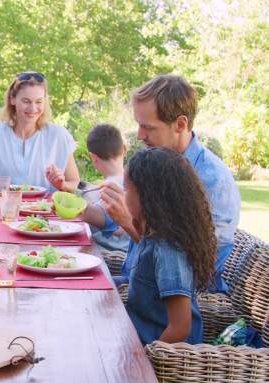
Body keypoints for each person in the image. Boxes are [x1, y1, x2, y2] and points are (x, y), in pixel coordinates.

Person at [101, 75, 241, 292]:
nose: (139, 135)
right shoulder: (159, 163)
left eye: (148, 127)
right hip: (138, 279)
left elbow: (189, 268)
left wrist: (128, 222)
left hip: (173, 298)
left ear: (180, 124)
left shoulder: (210, 180)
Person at [122, 147, 216, 345]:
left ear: (147, 196)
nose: (124, 196)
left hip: (162, 358)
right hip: (137, 337)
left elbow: (180, 327)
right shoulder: (152, 236)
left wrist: (145, 360)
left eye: (126, 190)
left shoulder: (168, 251)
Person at [0, 72, 80, 192]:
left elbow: (75, 183)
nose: (33, 108)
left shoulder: (58, 135)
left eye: (38, 102)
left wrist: (62, 185)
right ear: (12, 99)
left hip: (45, 209)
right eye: (26, 101)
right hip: (5, 209)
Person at [79, 124, 129, 252]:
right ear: (124, 149)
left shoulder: (109, 189)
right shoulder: (134, 182)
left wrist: (68, 204)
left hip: (110, 256)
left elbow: (101, 216)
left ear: (93, 157)